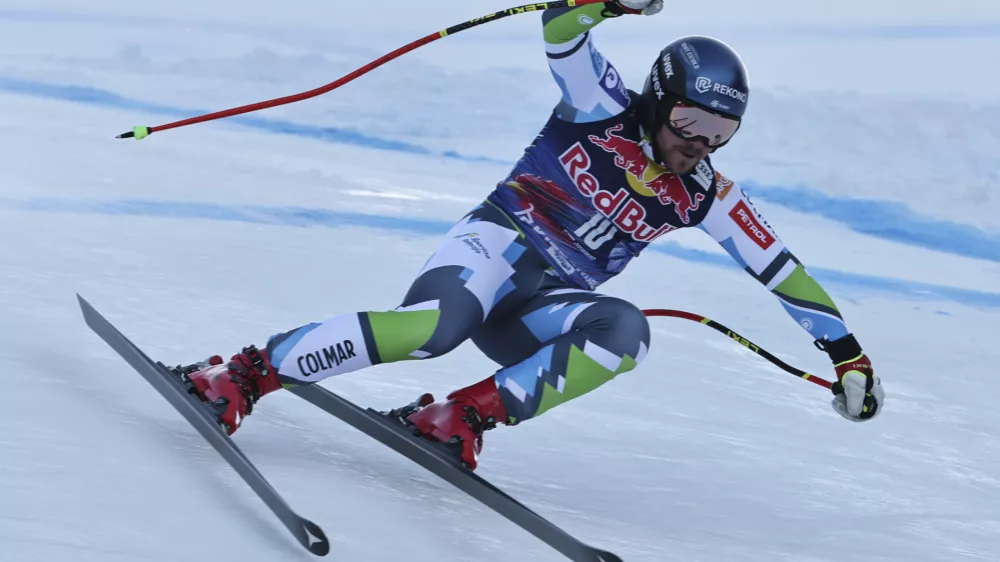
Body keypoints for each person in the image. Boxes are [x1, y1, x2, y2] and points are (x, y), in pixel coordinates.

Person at [184, 0, 884, 470]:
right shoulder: (600, 104)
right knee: (434, 331)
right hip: (496, 249)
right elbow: (561, 30)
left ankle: (461, 418)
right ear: (660, 98)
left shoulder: (705, 193)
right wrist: (605, 4)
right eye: (690, 124)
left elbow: (783, 272)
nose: (700, 145)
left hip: (543, 302)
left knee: (626, 333)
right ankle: (245, 372)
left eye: (721, 134)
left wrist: (848, 356)